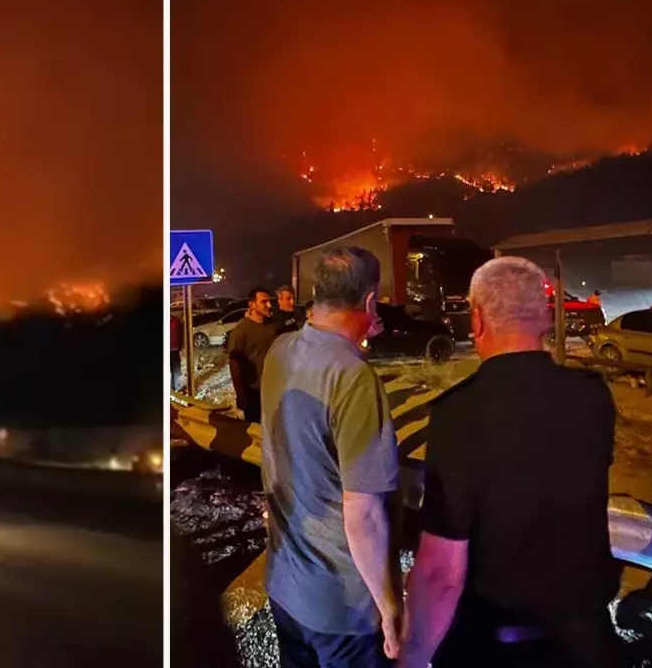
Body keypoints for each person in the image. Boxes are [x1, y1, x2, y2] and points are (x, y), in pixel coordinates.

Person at [399, 256, 622, 668]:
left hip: (498, 646)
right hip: (588, 643)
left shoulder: (459, 413)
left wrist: (411, 658)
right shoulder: (593, 397)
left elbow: (442, 572)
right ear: (546, 315)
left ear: (477, 320)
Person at [260, 247, 401, 667]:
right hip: (340, 608)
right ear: (371, 302)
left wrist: (354, 343)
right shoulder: (354, 379)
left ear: (316, 293)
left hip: (286, 587)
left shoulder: (280, 350)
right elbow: (363, 514)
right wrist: (390, 607)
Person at [225, 287, 279, 423]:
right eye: (264, 302)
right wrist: (240, 394)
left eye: (269, 301)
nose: (269, 305)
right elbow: (235, 364)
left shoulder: (274, 326)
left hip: (275, 388)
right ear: (252, 304)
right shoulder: (240, 332)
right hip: (254, 392)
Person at [169, 313, 183, 392]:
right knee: (175, 369)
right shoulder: (176, 321)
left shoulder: (176, 321)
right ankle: (174, 387)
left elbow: (180, 334)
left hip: (174, 349)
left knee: (175, 370)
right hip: (173, 349)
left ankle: (174, 387)